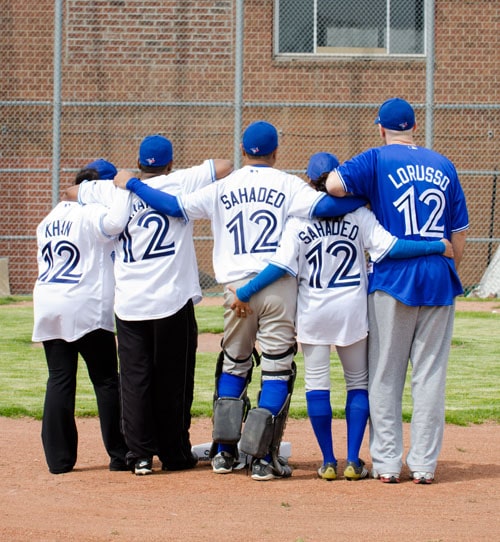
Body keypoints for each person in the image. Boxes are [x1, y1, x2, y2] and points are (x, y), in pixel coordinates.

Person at [114, 122, 368, 481]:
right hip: (278, 285)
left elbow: (172, 206)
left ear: (241, 149)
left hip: (235, 291)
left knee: (234, 365)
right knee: (278, 368)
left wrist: (135, 184)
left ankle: (224, 453)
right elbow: (328, 207)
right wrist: (366, 197)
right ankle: (263, 459)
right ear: (276, 152)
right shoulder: (289, 184)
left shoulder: (222, 186)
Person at [231, 151, 454, 481]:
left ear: (308, 181)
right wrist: (436, 246)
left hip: (314, 310)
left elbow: (280, 266)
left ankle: (327, 461)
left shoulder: (298, 218)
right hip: (350, 310)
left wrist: (245, 292)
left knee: (317, 384)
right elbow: (391, 247)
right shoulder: (359, 214)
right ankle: (352, 459)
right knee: (358, 383)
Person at [325, 98, 469, 485]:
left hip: (394, 276)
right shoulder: (444, 164)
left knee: (386, 374)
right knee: (430, 374)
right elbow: (458, 235)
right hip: (439, 274)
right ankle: (423, 465)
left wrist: (367, 195)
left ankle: (387, 464)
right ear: (414, 128)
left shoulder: (375, 158)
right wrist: (449, 268)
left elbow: (334, 184)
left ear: (381, 128)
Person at [78, 135, 233, 476]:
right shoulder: (181, 180)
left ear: (139, 163)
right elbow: (224, 166)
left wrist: (116, 185)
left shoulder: (116, 189)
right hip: (172, 299)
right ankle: (175, 453)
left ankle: (140, 456)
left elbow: (73, 191)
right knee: (173, 379)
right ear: (169, 163)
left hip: (130, 301)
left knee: (134, 381)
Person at [32, 159, 130, 474]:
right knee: (105, 380)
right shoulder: (92, 213)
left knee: (59, 378)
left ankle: (58, 460)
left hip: (49, 300)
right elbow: (115, 224)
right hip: (84, 303)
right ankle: (119, 454)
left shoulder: (49, 217)